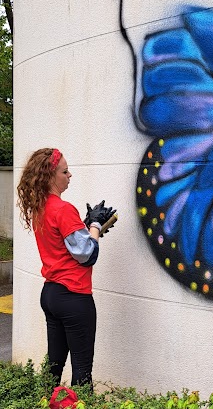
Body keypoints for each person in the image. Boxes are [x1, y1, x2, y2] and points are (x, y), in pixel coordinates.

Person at [17, 147, 116, 388]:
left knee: (54, 367)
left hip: (51, 294)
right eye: (65, 171)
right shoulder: (63, 209)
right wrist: (94, 224)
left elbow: (65, 245)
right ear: (50, 176)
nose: (69, 175)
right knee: (82, 372)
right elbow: (86, 255)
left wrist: (89, 229)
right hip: (73, 296)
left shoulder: (40, 208)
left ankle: (42, 402)